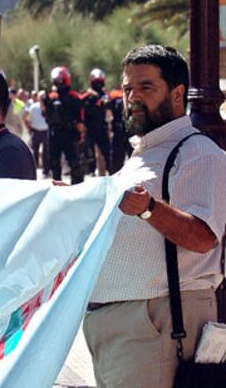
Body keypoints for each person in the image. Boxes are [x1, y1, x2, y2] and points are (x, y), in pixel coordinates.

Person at [83, 44, 226, 388]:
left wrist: (148, 208)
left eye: (146, 87)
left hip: (155, 324)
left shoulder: (198, 153)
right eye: (129, 88)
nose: (133, 97)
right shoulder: (144, 153)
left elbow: (203, 237)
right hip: (121, 328)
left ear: (178, 94)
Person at [41, 67, 84, 184]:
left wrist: (80, 133)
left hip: (69, 133)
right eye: (56, 81)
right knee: (54, 162)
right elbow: (45, 115)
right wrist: (46, 103)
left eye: (60, 80)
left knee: (74, 162)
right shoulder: (50, 97)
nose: (57, 83)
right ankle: (56, 186)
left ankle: (78, 187)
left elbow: (79, 117)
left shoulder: (73, 97)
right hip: (54, 133)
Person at [80, 68, 111, 176]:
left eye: (100, 82)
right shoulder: (85, 95)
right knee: (88, 154)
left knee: (107, 153)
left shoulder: (105, 95)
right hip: (89, 128)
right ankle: (90, 172)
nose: (98, 85)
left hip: (102, 128)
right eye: (96, 82)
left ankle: (109, 172)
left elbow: (108, 107)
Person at [24, 90, 50, 177]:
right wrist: (30, 128)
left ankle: (46, 170)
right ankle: (33, 170)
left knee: (46, 152)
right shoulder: (33, 107)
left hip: (46, 131)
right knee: (35, 151)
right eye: (41, 96)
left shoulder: (49, 106)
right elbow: (27, 118)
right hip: (36, 131)